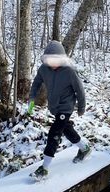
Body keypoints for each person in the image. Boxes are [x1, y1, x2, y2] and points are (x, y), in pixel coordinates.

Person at [27, 40, 91, 180]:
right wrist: (31, 99)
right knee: (66, 129)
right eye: (50, 60)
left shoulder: (69, 71)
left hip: (66, 107)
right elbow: (36, 83)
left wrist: (81, 107)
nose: (53, 63)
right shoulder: (43, 69)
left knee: (54, 133)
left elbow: (80, 90)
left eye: (56, 60)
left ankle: (44, 168)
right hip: (55, 107)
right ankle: (84, 148)